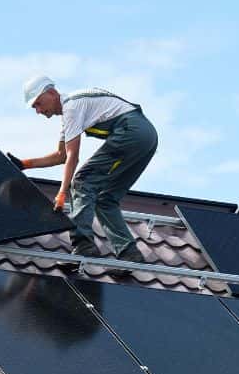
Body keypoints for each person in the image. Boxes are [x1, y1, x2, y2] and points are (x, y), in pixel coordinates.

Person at [13, 75, 158, 263]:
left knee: (82, 181)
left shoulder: (72, 107)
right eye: (34, 108)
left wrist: (62, 192)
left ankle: (83, 245)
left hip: (131, 131)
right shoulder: (71, 113)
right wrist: (25, 164)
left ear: (52, 93)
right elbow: (61, 155)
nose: (38, 111)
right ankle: (130, 254)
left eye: (38, 104)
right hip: (147, 136)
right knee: (106, 199)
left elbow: (73, 156)